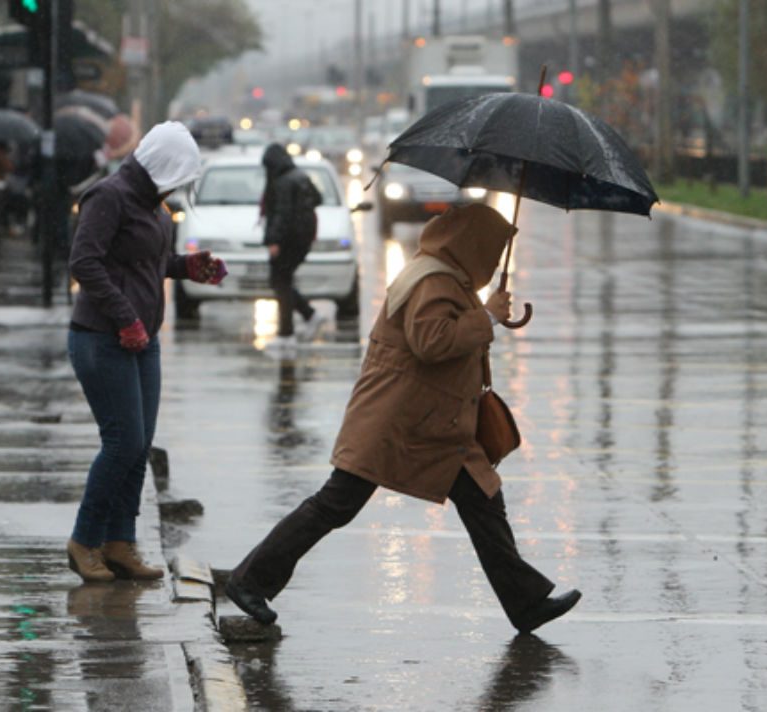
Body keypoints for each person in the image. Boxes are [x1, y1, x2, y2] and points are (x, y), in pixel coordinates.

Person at [227, 203, 581, 634]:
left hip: (433, 423)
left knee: (485, 500)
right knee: (336, 504)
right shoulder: (433, 279)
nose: (493, 259)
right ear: (472, 245)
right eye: (491, 248)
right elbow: (431, 341)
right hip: (397, 423)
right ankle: (249, 581)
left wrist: (486, 316)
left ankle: (525, 602)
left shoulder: (444, 273)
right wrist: (486, 316)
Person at [66, 121, 226, 583]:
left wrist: (186, 267)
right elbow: (84, 262)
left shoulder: (154, 205)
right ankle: (84, 541)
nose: (179, 187)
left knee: (138, 449)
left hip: (142, 340)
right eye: (178, 175)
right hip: (101, 337)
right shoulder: (108, 196)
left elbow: (146, 262)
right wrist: (125, 318)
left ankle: (120, 544)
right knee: (123, 443)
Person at [261, 143, 323, 349]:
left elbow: (282, 214)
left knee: (279, 282)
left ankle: (288, 332)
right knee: (282, 281)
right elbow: (318, 198)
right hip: (302, 239)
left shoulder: (283, 182)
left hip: (288, 241)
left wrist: (273, 240)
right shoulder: (300, 176)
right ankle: (307, 315)